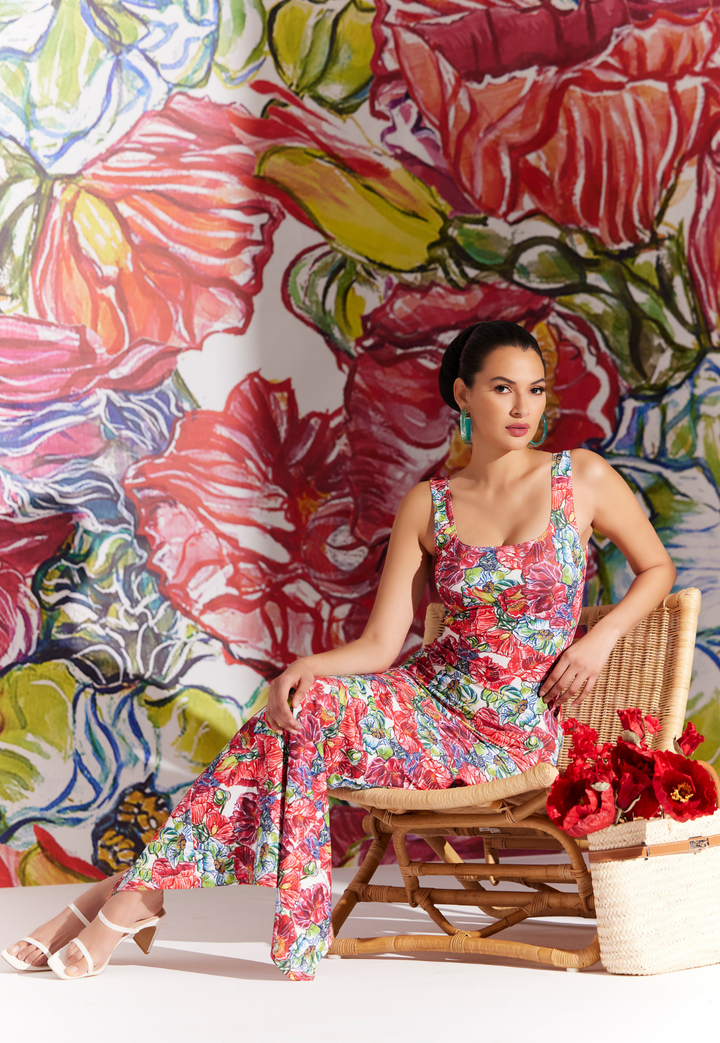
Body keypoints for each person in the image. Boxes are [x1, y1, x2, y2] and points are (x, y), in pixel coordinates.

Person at [2, 320, 676, 981]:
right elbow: (384, 644)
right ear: (464, 396)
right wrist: (303, 667)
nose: (525, 406)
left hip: (511, 732)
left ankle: (126, 892)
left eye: (535, 389)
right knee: (301, 706)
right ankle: (134, 895)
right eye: (503, 388)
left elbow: (657, 569)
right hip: (427, 699)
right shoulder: (430, 503)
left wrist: (602, 635)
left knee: (290, 728)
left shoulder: (579, 476)